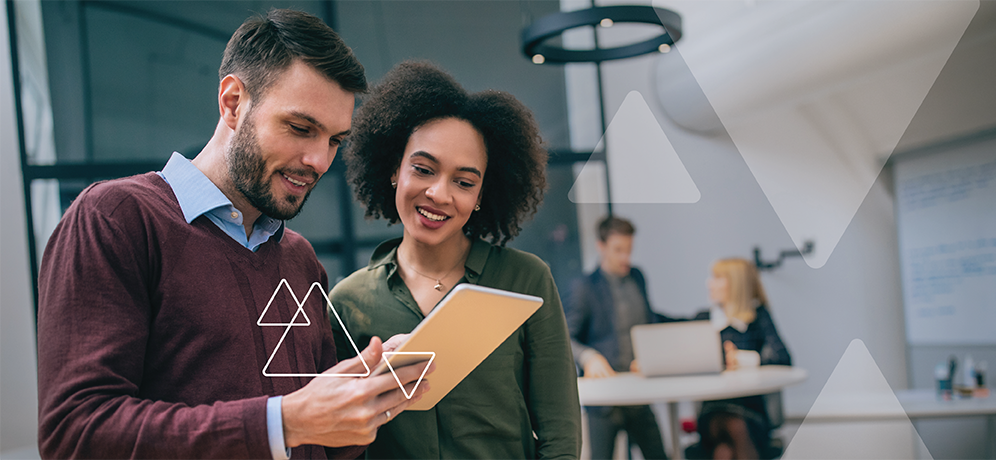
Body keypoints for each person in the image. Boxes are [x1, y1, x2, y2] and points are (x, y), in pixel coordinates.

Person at [36, 9, 432, 460]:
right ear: (232, 102)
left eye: (334, 140)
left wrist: (362, 398)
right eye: (301, 128)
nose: (320, 161)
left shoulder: (300, 259)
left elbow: (317, 441)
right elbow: (75, 434)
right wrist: (284, 421)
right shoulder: (116, 219)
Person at [329, 60, 581, 459]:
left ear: (481, 195)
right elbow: (341, 436)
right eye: (423, 169)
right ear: (395, 169)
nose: (439, 194)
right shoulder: (348, 301)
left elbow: (559, 432)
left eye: (464, 182)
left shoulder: (526, 279)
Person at [563, 216, 671, 460]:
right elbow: (564, 338)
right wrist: (589, 357)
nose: (626, 258)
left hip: (639, 393)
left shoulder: (638, 278)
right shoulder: (583, 287)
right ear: (601, 247)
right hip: (604, 403)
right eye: (618, 250)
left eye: (629, 250)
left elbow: (650, 321)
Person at [693, 258, 791, 460]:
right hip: (713, 412)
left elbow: (783, 357)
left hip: (751, 411)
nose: (709, 283)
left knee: (725, 452)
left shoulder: (758, 318)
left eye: (717, 278)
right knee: (733, 426)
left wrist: (742, 360)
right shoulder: (704, 319)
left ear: (735, 284)